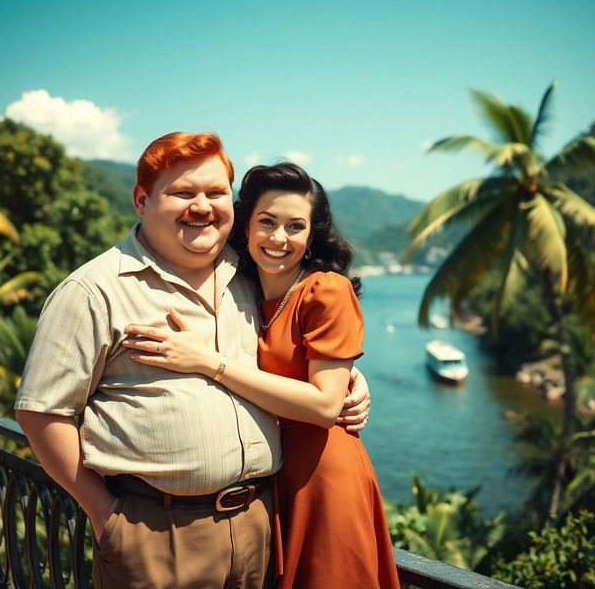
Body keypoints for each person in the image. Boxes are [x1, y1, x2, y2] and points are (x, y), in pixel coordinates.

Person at [14, 133, 369, 589]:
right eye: (183, 192)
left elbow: (290, 344)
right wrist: (105, 515)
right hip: (158, 533)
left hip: (259, 521)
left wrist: (351, 377)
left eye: (216, 193)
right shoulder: (93, 290)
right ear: (142, 200)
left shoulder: (247, 273)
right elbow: (41, 412)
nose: (201, 206)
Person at [123, 162, 401, 589]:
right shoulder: (240, 289)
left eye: (295, 226)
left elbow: (326, 405)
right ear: (246, 226)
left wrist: (208, 361)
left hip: (323, 476)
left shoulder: (324, 289)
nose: (278, 238)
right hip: (270, 481)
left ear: (311, 236)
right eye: (267, 222)